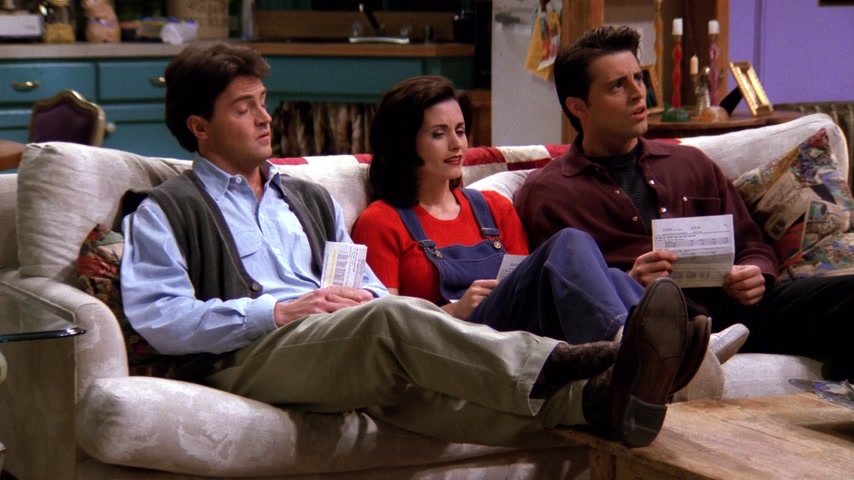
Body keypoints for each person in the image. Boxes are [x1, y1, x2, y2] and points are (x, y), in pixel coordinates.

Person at [119, 42, 701, 449]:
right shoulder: (166, 209)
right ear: (199, 127)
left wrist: (364, 298)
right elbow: (160, 318)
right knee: (391, 320)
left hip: (335, 341)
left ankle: (599, 403)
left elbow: (366, 281)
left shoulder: (307, 198)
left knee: (417, 379)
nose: (265, 118)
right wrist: (277, 311)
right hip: (247, 356)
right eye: (243, 109)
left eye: (263, 101)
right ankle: (565, 359)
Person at [515, 25, 854, 381]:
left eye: (638, 78)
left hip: (734, 310)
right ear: (578, 106)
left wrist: (755, 272)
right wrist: (627, 282)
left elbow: (752, 242)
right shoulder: (549, 192)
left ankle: (838, 407)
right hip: (647, 322)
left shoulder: (690, 162)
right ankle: (688, 349)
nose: (638, 93)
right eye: (618, 86)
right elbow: (556, 293)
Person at [351, 75, 709, 358]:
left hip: (517, 332)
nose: (457, 144)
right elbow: (385, 326)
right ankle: (636, 346)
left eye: (460, 131)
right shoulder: (382, 221)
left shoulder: (494, 207)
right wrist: (454, 310)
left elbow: (527, 285)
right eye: (438, 134)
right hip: (458, 343)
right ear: (404, 143)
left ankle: (680, 340)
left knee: (612, 275)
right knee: (569, 241)